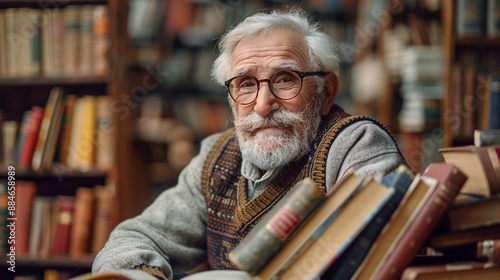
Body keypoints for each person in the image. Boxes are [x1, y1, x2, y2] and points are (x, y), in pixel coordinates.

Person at [92, 7, 407, 280]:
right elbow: (134, 238)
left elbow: (376, 260)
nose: (262, 104)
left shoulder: (355, 144)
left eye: (285, 79)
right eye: (245, 84)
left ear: (325, 93)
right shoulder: (215, 156)